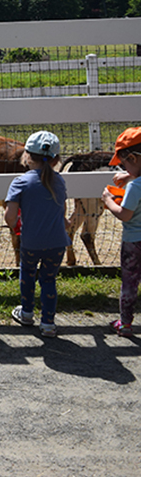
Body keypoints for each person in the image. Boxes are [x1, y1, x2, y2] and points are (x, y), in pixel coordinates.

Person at [4, 130, 71, 337]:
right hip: (58, 243)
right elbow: (63, 213)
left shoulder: (20, 182)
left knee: (28, 275)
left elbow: (10, 216)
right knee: (49, 279)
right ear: (56, 159)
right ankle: (48, 323)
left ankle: (26, 313)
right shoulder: (59, 182)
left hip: (31, 242)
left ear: (26, 155)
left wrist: (15, 225)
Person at [101, 127, 141, 337]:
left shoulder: (135, 188)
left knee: (130, 282)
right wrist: (129, 175)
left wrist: (108, 201)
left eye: (124, 162)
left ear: (133, 157)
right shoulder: (135, 182)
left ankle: (125, 323)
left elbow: (125, 215)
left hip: (134, 242)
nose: (123, 166)